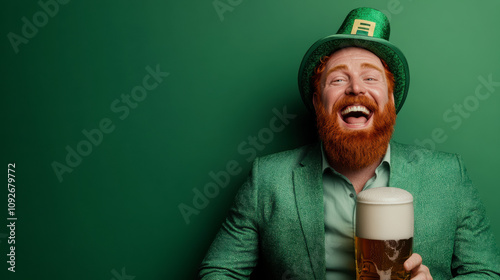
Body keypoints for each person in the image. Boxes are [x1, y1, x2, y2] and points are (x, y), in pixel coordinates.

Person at [198, 7, 500, 280]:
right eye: (338, 80)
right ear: (318, 102)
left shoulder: (448, 175)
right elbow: (219, 271)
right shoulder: (268, 179)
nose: (355, 88)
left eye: (371, 79)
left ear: (390, 102)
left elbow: (485, 271)